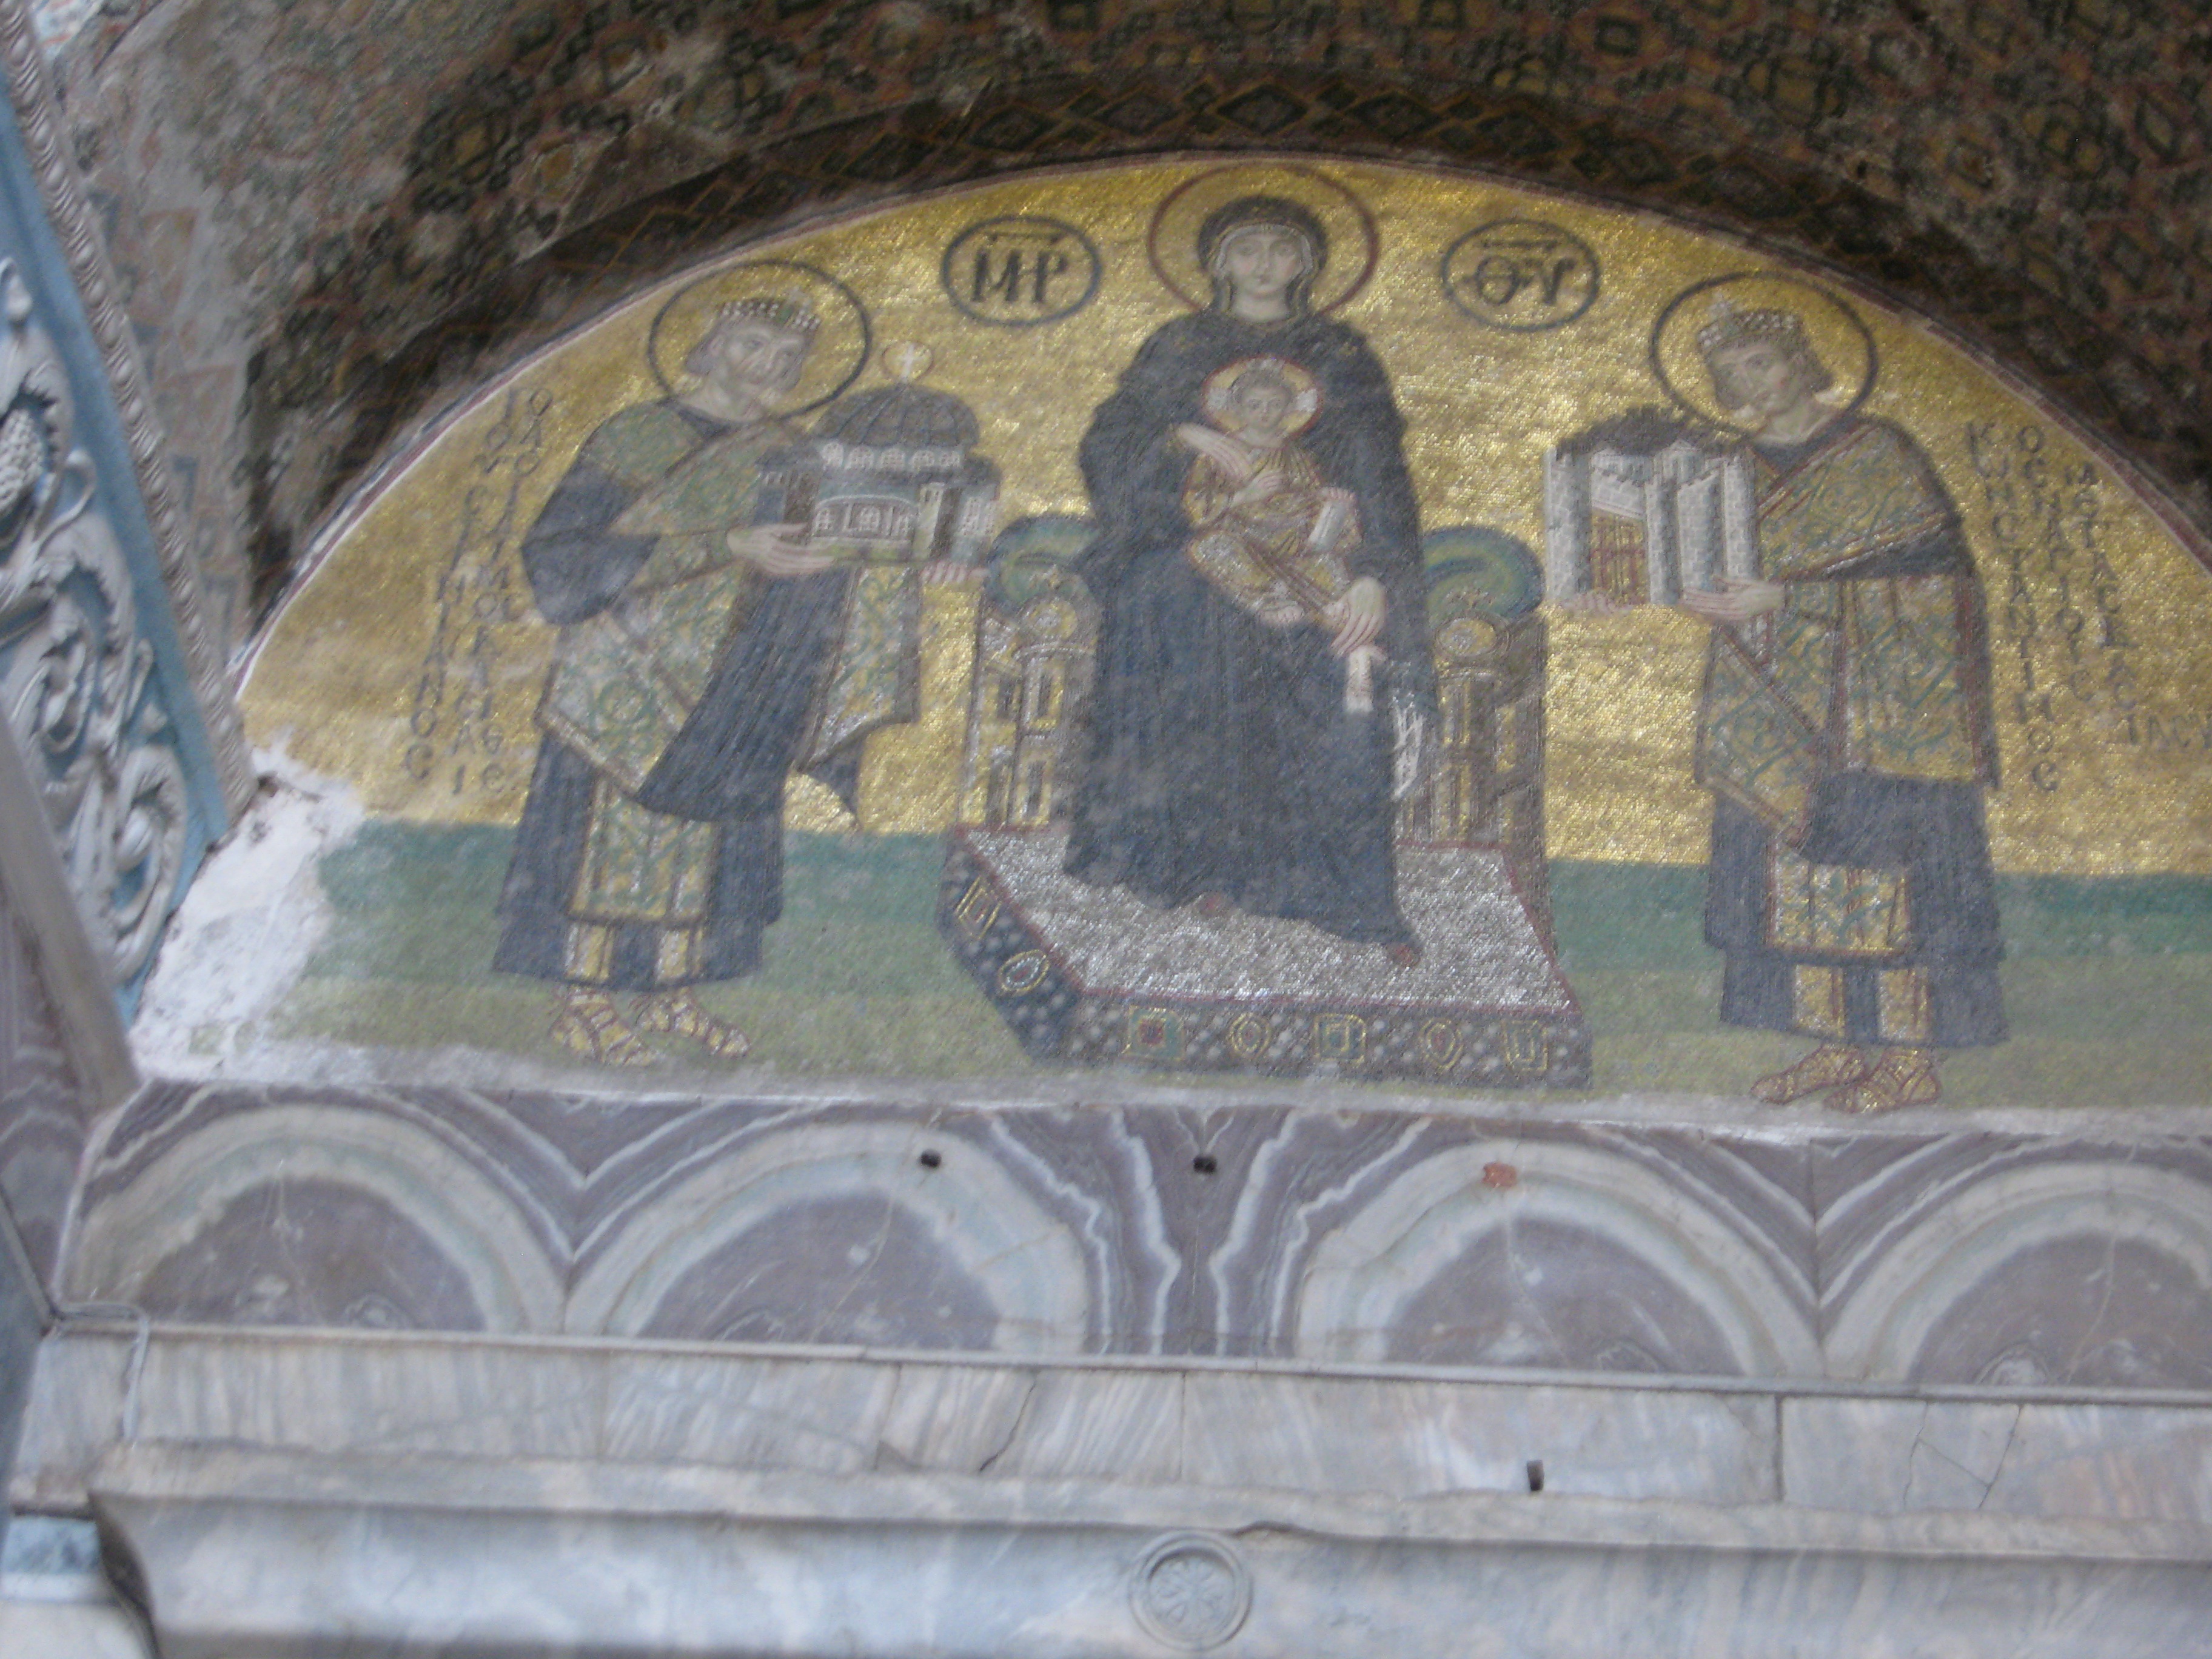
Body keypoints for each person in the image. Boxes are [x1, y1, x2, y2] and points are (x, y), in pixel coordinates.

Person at [492, 296, 856, 1065]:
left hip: (730, 677)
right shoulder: (636, 436)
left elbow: (813, 553)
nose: (768, 366)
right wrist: (727, 545)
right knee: (610, 839)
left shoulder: (790, 453)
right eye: (752, 344)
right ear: (709, 344)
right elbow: (563, 556)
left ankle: (671, 994)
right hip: (625, 673)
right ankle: (584, 1001)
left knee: (701, 841)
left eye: (787, 358)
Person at [1063, 195, 1426, 962]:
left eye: (1282, 250)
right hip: (1193, 555)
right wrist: (1182, 435)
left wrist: (1373, 576)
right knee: (1175, 605)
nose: (1265, 265)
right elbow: (1110, 445)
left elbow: (1379, 475)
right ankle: (1192, 866)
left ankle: (1338, 895)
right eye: (1247, 249)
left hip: (1317, 557)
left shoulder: (1340, 351)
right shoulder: (1180, 344)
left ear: (1308, 265)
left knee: (1342, 665)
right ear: (1219, 263)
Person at [1677, 300, 2003, 1112]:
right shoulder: (1732, 468)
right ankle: (1837, 1044)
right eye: (1731, 374)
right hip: (1775, 700)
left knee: (1886, 876)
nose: (1750, 383)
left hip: (1881, 711)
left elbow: (1945, 590)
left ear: (1799, 359)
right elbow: (1709, 563)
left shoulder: (1877, 453)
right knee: (1798, 874)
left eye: (1760, 362)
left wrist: (1789, 598)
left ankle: (1909, 1058)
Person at [1175, 358, 1382, 712]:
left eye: (1274, 405)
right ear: (1237, 408)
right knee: (1211, 546)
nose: (1265, 413)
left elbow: (1309, 503)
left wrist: (1334, 508)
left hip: (1294, 541)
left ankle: (1352, 645)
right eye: (1255, 405)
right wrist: (1245, 496)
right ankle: (1270, 600)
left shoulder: (1295, 456)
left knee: (1327, 563)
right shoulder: (1220, 454)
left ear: (1289, 410)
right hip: (1241, 537)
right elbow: (1197, 507)